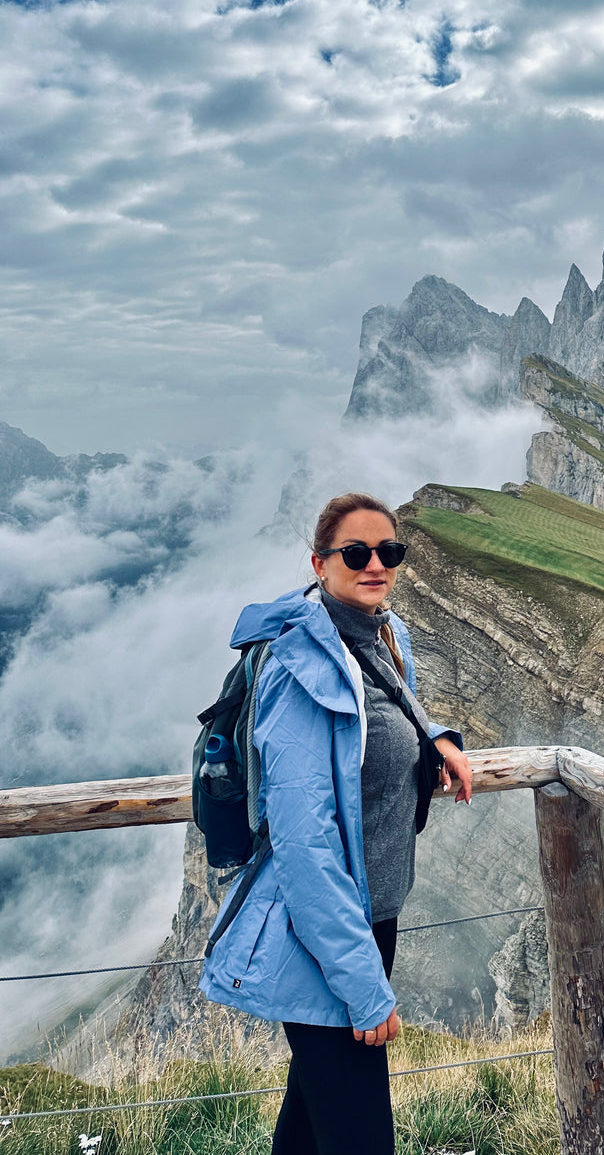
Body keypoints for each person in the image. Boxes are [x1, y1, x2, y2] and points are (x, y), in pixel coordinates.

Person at [199, 492, 472, 1155]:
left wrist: (438, 738)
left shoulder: (382, 633)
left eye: (390, 551)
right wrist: (362, 987)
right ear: (320, 563)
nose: (375, 563)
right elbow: (303, 846)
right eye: (356, 552)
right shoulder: (299, 668)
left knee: (313, 1125)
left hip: (373, 915)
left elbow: (387, 715)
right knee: (360, 1137)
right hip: (318, 935)